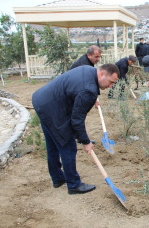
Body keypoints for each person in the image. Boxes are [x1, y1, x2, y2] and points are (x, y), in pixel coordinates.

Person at [32, 64, 119, 195]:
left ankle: (58, 178)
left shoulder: (89, 70)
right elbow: (77, 121)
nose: (111, 86)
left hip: (41, 101)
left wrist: (93, 96)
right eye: (111, 82)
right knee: (68, 145)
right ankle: (73, 184)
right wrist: (86, 142)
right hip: (52, 109)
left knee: (53, 144)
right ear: (102, 74)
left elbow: (78, 87)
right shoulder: (88, 91)